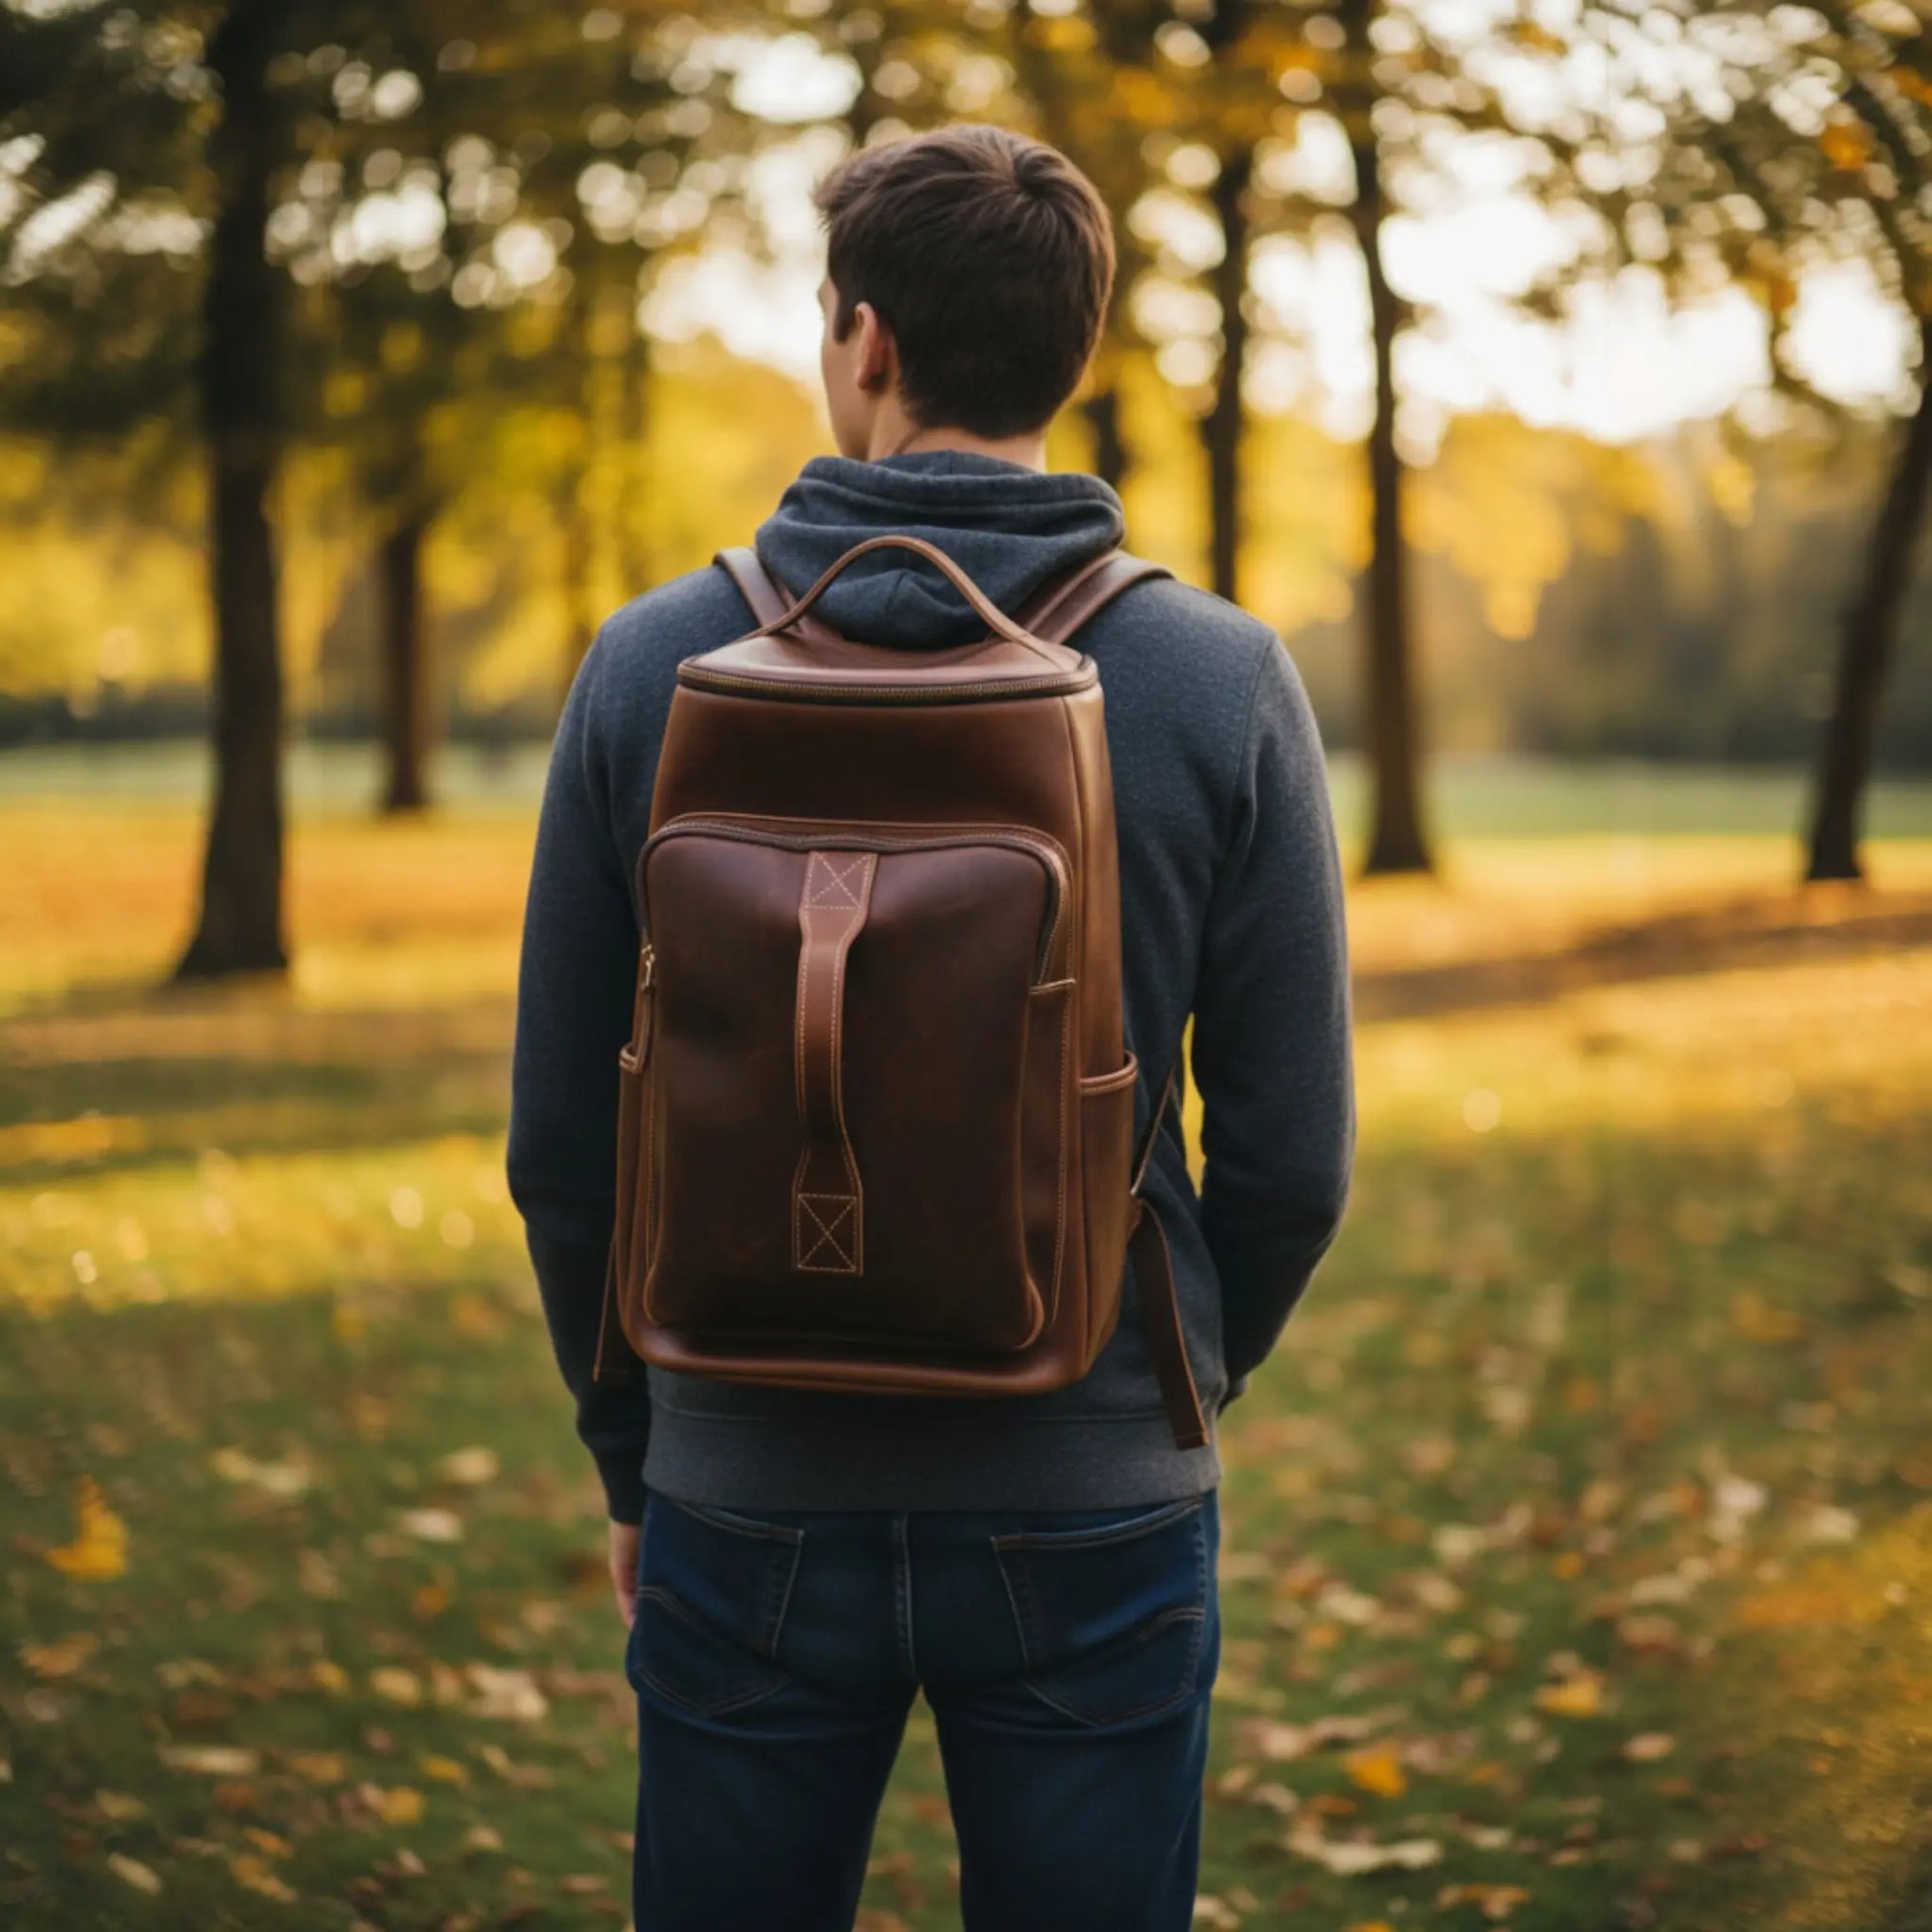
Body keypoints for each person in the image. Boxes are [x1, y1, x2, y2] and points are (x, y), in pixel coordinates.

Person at [507, 122, 1353, 1932]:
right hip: (1095, 1484)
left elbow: (565, 1148)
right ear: (1076, 351)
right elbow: (1291, 1160)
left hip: (742, 1477)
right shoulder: (1217, 679)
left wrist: (632, 1456)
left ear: (863, 339)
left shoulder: (650, 665)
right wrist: (1157, 1373)